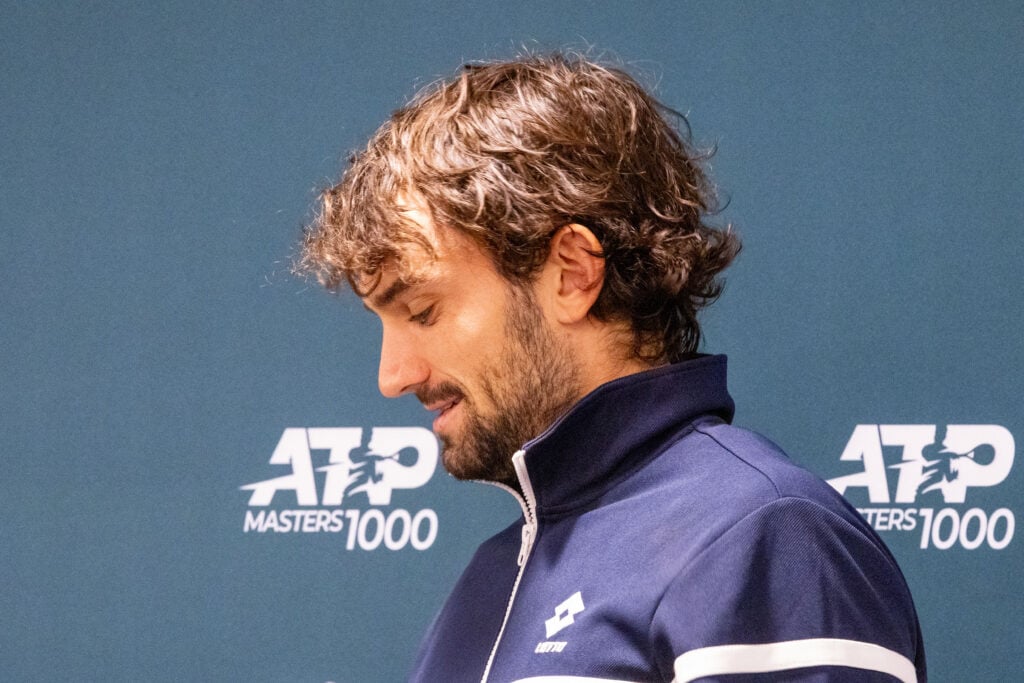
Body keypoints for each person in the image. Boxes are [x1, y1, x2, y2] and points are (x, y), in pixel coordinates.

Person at [300, 53, 926, 683]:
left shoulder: (763, 536)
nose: (392, 376)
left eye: (423, 311)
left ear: (573, 273)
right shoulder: (487, 583)